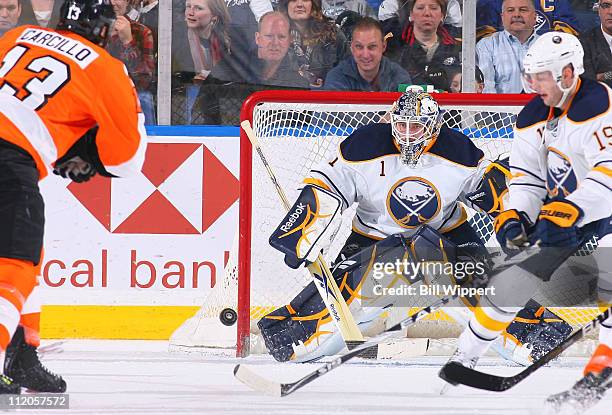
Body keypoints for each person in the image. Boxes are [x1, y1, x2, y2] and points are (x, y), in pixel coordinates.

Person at [256, 90, 572, 364]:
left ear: (433, 127)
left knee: (475, 287)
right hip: (374, 239)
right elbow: (326, 185)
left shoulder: (457, 151)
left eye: (416, 126)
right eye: (402, 124)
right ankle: (297, 335)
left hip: (447, 236)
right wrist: (302, 228)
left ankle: (534, 336)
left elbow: (489, 189)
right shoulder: (364, 146)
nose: (407, 133)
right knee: (336, 309)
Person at [440, 32, 612, 409]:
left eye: (542, 76)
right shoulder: (534, 115)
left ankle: (605, 363)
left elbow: (608, 174)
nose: (534, 84)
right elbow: (528, 179)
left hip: (602, 206)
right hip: (567, 209)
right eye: (530, 75)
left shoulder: (601, 106)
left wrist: (572, 209)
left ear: (568, 73)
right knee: (514, 279)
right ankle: (464, 357)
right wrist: (514, 214)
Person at [0, 0, 146, 393]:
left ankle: (21, 358)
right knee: (14, 265)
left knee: (29, 257)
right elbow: (127, 159)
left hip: (14, 158)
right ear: (103, 31)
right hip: (7, 160)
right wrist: (89, 154)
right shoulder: (103, 65)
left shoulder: (16, 35)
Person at [323, 16, 411, 91]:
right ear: (351, 47)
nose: (365, 55)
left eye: (372, 46)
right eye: (359, 46)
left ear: (383, 46)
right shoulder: (336, 77)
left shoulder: (399, 77)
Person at [385, 0, 461, 86]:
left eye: (433, 8)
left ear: (442, 16)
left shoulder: (457, 48)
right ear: (411, 15)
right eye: (420, 8)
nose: (427, 13)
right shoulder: (393, 46)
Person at [278, 0, 348, 88]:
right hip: (285, 98)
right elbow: (269, 77)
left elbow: (348, 74)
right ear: (286, 4)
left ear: (313, 4)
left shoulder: (333, 34)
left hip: (325, 97)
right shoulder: (275, 36)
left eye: (305, 0)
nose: (299, 4)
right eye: (293, 0)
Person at [107, 0, 156, 124]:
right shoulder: (91, 29)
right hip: (98, 94)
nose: (111, 3)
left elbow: (145, 80)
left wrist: (128, 42)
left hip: (129, 94)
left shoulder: (141, 32)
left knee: (144, 98)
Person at [476, 0, 539, 94]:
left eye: (523, 10)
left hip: (540, 108)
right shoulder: (487, 45)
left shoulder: (548, 45)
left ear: (535, 17)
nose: (516, 14)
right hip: (499, 108)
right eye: (510, 10)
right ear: (502, 17)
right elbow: (487, 88)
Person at [250, 11, 309, 87]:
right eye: (269, 36)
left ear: (290, 40)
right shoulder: (238, 70)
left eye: (281, 37)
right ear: (257, 38)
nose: (275, 43)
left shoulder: (298, 85)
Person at [580, 0, 612, 89]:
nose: (610, 12)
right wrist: (609, 75)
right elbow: (587, 81)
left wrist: (601, 76)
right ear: (598, 10)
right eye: (606, 5)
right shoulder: (584, 42)